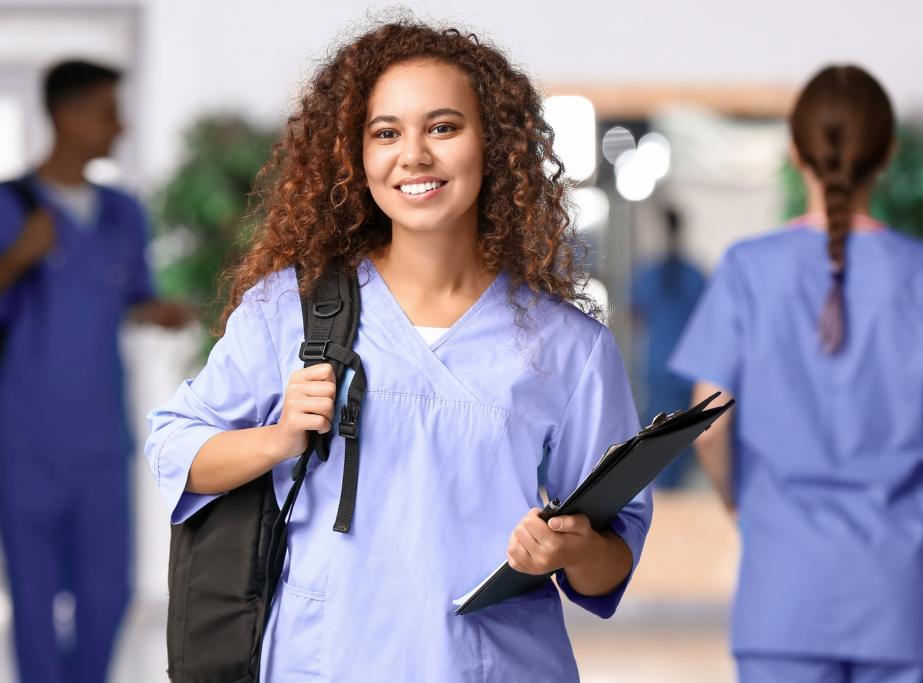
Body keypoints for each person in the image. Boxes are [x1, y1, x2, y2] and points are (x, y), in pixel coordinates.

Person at [146, 21, 650, 681]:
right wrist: (278, 439)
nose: (413, 155)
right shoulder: (288, 311)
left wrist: (570, 547)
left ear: (493, 145)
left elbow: (612, 556)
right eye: (386, 133)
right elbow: (175, 447)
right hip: (323, 661)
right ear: (356, 155)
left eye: (443, 127)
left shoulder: (570, 349)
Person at [668, 65, 923, 683]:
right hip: (905, 597)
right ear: (889, 155)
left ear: (794, 151)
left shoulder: (748, 270)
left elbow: (709, 426)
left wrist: (739, 504)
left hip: (783, 598)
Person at [0, 61, 190, 682]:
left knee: (108, 596)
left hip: (101, 441)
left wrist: (161, 310)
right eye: (109, 112)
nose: (120, 125)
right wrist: (17, 259)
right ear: (67, 115)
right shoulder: (11, 207)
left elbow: (132, 294)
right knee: (32, 602)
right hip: (25, 440)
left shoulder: (122, 212)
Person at [631, 208, 704, 487]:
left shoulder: (647, 275)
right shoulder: (693, 275)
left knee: (656, 439)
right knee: (680, 441)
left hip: (658, 367)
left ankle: (660, 499)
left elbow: (635, 318)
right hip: (684, 369)